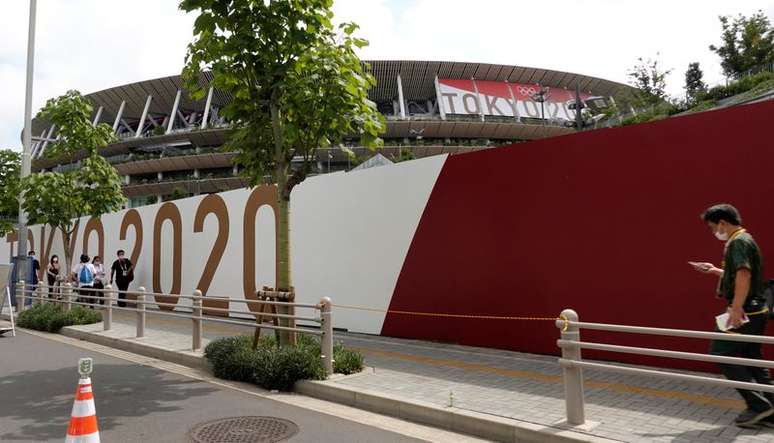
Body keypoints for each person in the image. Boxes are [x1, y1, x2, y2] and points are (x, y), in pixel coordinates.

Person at [690, 203, 774, 428]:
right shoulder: (746, 239)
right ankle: (771, 409)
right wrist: (714, 270)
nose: (713, 232)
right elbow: (740, 273)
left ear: (722, 223)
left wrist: (736, 308)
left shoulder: (737, 242)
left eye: (712, 227)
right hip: (757, 309)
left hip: (745, 310)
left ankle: (759, 405)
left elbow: (744, 275)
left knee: (721, 353)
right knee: (752, 359)